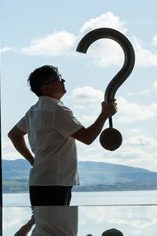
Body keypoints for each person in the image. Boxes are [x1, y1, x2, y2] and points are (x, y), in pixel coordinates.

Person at [8, 65, 117, 206]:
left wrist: (32, 160)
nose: (63, 80)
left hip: (39, 181)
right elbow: (87, 137)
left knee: (45, 226)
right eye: (58, 79)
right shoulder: (57, 110)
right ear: (46, 88)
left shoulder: (34, 111)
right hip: (56, 183)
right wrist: (104, 114)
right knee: (59, 227)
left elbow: (14, 135)